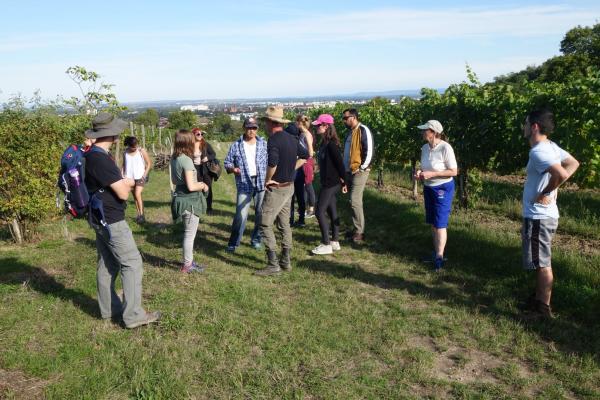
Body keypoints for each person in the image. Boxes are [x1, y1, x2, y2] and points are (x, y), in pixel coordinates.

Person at [83, 113, 160, 329]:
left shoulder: (91, 154)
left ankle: (109, 309)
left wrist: (122, 181)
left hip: (99, 217)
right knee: (132, 263)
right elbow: (123, 193)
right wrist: (126, 182)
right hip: (111, 219)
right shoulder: (100, 158)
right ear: (112, 134)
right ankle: (133, 315)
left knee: (107, 263)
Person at [521, 109, 579, 318]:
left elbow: (562, 172)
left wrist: (547, 191)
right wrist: (554, 188)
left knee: (543, 263)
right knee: (540, 261)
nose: (524, 127)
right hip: (544, 214)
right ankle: (538, 299)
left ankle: (543, 309)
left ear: (534, 126)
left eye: (526, 123)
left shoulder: (538, 151)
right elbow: (573, 163)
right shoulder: (551, 147)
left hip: (539, 216)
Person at [255, 106, 308, 276]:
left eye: (265, 122)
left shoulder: (274, 140)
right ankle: (286, 260)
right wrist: (292, 168)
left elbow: (273, 163)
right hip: (289, 187)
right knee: (284, 224)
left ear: (271, 123)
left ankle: (273, 264)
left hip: (277, 189)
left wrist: (267, 180)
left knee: (264, 223)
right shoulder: (292, 138)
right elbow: (306, 155)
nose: (264, 125)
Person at [414, 120, 458, 272]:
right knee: (433, 221)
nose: (422, 132)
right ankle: (436, 253)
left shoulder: (446, 148)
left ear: (433, 132)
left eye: (425, 130)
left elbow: (453, 171)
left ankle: (439, 257)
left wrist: (433, 174)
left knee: (440, 223)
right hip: (428, 188)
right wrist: (420, 173)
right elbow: (424, 166)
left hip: (443, 188)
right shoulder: (425, 147)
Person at [223, 117, 268, 252]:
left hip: (261, 183)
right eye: (249, 128)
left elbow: (271, 161)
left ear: (257, 129)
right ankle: (233, 243)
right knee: (240, 215)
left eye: (254, 128)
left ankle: (256, 239)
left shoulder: (264, 144)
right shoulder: (236, 145)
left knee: (260, 214)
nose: (251, 131)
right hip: (244, 183)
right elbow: (227, 162)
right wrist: (233, 169)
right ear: (244, 128)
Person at [170, 129, 210, 273]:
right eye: (192, 138)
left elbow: (175, 180)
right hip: (189, 201)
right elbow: (192, 186)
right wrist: (203, 185)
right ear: (187, 141)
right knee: (189, 235)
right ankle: (187, 265)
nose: (195, 140)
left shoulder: (174, 157)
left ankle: (189, 262)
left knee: (188, 233)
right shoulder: (186, 160)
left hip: (180, 198)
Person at [310, 114, 348, 255]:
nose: (316, 127)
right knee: (332, 210)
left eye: (318, 125)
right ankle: (335, 241)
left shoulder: (331, 145)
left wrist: (344, 181)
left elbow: (340, 165)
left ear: (326, 126)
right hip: (328, 181)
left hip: (331, 183)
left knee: (319, 211)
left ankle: (326, 244)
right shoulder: (324, 144)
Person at [342, 108, 374, 243]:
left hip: (359, 171)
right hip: (350, 170)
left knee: (355, 200)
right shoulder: (351, 132)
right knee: (351, 201)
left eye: (345, 118)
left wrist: (361, 168)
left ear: (353, 117)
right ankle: (356, 229)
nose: (343, 120)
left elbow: (369, 151)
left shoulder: (363, 130)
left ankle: (360, 232)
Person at [286, 115, 314, 227]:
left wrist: (301, 159)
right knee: (300, 193)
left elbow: (310, 153)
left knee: (297, 193)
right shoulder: (300, 135)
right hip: (300, 166)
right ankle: (299, 219)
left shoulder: (304, 135)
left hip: (300, 166)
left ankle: (294, 219)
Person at [122, 136, 152, 223]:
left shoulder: (141, 151)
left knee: (137, 193)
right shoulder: (125, 152)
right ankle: (139, 214)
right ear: (129, 145)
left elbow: (149, 163)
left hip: (140, 176)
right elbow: (124, 164)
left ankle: (142, 215)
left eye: (136, 145)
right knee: (135, 196)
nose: (135, 147)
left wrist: (145, 174)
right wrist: (122, 174)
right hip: (130, 177)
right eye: (133, 147)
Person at [192, 128, 217, 214]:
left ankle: (209, 208)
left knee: (208, 188)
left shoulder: (206, 144)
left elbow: (213, 154)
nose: (200, 136)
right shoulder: (189, 145)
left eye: (201, 134)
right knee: (197, 187)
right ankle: (199, 206)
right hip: (195, 169)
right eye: (198, 134)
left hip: (206, 169)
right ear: (193, 135)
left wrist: (207, 158)